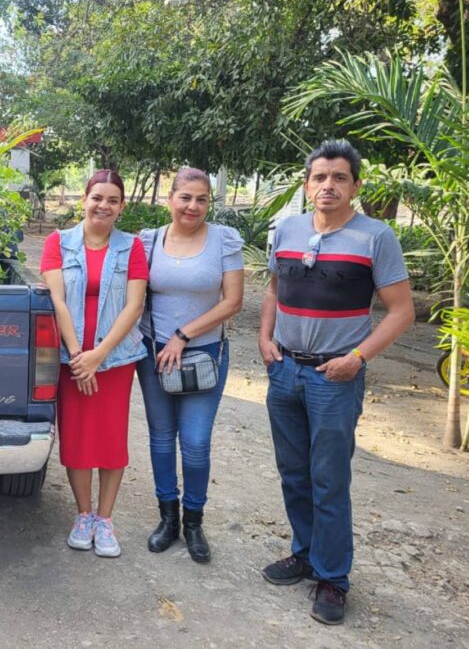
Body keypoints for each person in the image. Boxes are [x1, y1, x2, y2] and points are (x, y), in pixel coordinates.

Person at [258, 139, 414, 625]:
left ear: (355, 186)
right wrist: (265, 339)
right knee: (294, 472)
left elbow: (402, 311)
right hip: (284, 371)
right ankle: (304, 554)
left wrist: (357, 357)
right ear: (307, 185)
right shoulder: (286, 228)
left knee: (329, 478)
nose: (328, 185)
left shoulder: (376, 237)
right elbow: (274, 288)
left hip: (334, 377)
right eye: (319, 177)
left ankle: (332, 578)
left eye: (339, 177)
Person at [135, 168, 244, 564]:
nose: (192, 206)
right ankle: (168, 518)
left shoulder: (224, 241)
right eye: (185, 198)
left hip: (204, 353)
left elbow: (232, 301)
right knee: (162, 438)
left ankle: (195, 521)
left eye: (201, 199)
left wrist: (183, 335)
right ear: (171, 198)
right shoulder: (149, 241)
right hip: (153, 353)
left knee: (195, 443)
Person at [40, 169, 147, 558]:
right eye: (97, 197)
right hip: (72, 359)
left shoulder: (131, 247)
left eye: (113, 200)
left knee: (111, 439)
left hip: (115, 360)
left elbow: (135, 305)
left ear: (121, 207)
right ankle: (82, 515)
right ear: (84, 199)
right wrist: (78, 358)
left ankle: (105, 519)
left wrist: (99, 356)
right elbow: (58, 301)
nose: (104, 205)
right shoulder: (58, 243)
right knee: (79, 438)